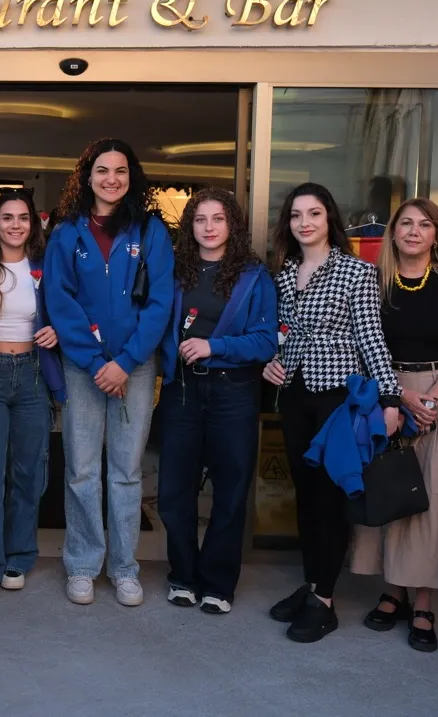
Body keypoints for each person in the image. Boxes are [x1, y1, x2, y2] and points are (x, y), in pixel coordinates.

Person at [262, 182, 402, 644]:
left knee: (327, 498)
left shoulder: (355, 273)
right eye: (297, 214)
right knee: (304, 494)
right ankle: (312, 584)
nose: (305, 222)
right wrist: (273, 361)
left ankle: (324, 601)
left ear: (329, 220)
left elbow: (371, 340)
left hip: (338, 398)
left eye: (314, 214)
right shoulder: (284, 274)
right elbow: (282, 334)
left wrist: (390, 400)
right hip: (296, 395)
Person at [348, 197, 438, 653]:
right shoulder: (374, 281)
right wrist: (403, 397)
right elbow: (365, 344)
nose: (413, 231)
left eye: (424, 224)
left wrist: (429, 399)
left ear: (437, 233)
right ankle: (393, 591)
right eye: (405, 223)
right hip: (390, 394)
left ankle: (423, 601)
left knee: (433, 501)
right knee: (391, 490)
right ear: (393, 232)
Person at [44, 138, 174, 608]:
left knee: (125, 471)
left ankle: (123, 568)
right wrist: (98, 363)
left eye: (121, 170)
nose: (112, 178)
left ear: (131, 176)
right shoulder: (66, 233)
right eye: (102, 170)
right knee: (80, 469)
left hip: (135, 370)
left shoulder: (151, 231)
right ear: (87, 176)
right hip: (84, 369)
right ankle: (82, 565)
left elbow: (161, 304)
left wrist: (126, 362)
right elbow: (60, 303)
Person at [157, 188, 277, 616]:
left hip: (233, 392)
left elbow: (265, 341)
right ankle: (183, 576)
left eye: (218, 219)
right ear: (190, 227)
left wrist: (214, 346)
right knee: (174, 490)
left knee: (230, 490)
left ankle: (218, 583)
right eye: (200, 220)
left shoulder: (253, 276)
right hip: (181, 392)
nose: (209, 227)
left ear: (233, 226)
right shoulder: (174, 271)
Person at [0, 188, 65, 599]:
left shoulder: (46, 268)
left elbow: (69, 313)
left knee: (29, 473)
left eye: (23, 217)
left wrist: (58, 330)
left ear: (34, 223)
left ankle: (18, 558)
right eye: (7, 217)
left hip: (32, 374)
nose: (15, 225)